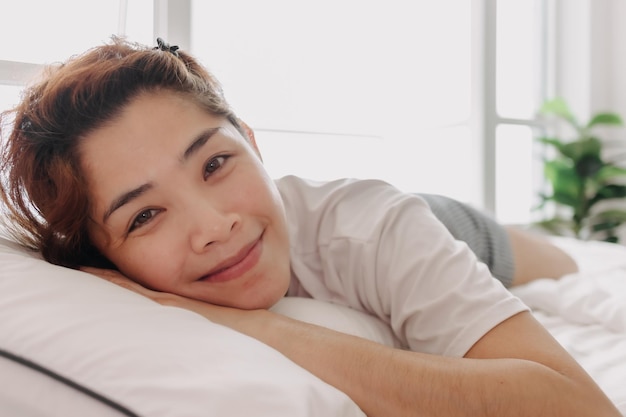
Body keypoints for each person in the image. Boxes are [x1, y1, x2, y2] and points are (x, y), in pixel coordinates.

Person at [0, 37, 617, 417]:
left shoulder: (375, 226)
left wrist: (259, 328)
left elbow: (581, 410)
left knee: (554, 262)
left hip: (441, 223)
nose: (215, 226)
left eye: (216, 163)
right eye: (145, 215)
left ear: (255, 145)